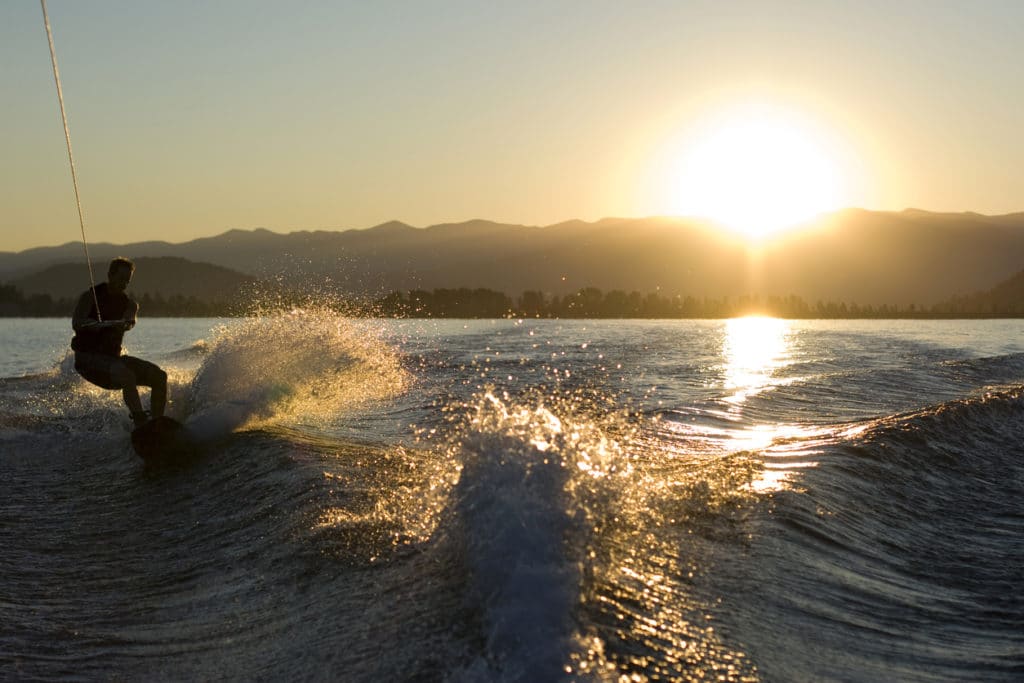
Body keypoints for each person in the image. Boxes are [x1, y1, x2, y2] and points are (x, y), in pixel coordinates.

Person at [71, 257, 167, 427]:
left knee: (160, 376)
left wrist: (125, 323)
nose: (123, 283)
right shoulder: (90, 297)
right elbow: (76, 322)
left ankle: (157, 424)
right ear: (110, 275)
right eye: (120, 278)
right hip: (87, 361)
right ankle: (140, 421)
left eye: (127, 280)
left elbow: (130, 321)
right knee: (126, 374)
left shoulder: (130, 305)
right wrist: (93, 325)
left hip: (112, 361)